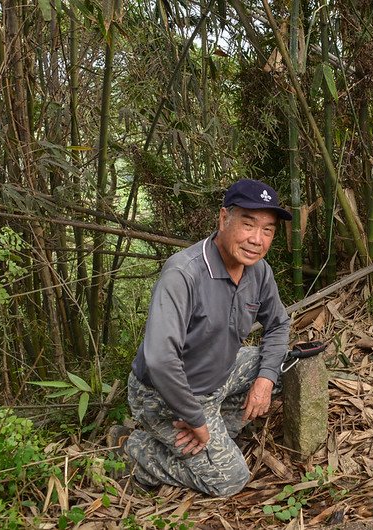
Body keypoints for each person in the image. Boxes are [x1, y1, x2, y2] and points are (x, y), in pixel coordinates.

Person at [111, 179, 292, 497]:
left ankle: (215, 425)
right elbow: (160, 359)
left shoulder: (259, 271)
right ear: (224, 219)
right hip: (168, 394)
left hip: (218, 374)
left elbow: (278, 325)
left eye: (268, 230)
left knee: (282, 368)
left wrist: (263, 382)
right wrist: (195, 418)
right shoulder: (184, 273)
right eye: (248, 224)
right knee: (230, 479)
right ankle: (132, 448)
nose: (256, 239)